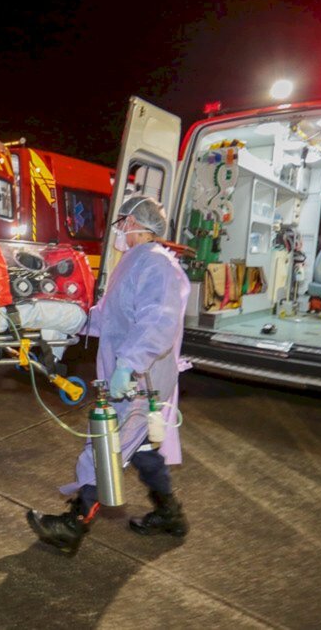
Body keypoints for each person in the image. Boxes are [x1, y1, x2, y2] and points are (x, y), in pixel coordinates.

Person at [26, 195, 190, 554]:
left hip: (140, 378)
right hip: (133, 374)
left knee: (106, 445)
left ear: (133, 223)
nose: (118, 231)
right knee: (140, 446)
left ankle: (75, 524)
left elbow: (158, 322)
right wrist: (67, 321)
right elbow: (108, 317)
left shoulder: (156, 264)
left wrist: (129, 364)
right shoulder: (135, 262)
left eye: (121, 223)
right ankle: (170, 513)